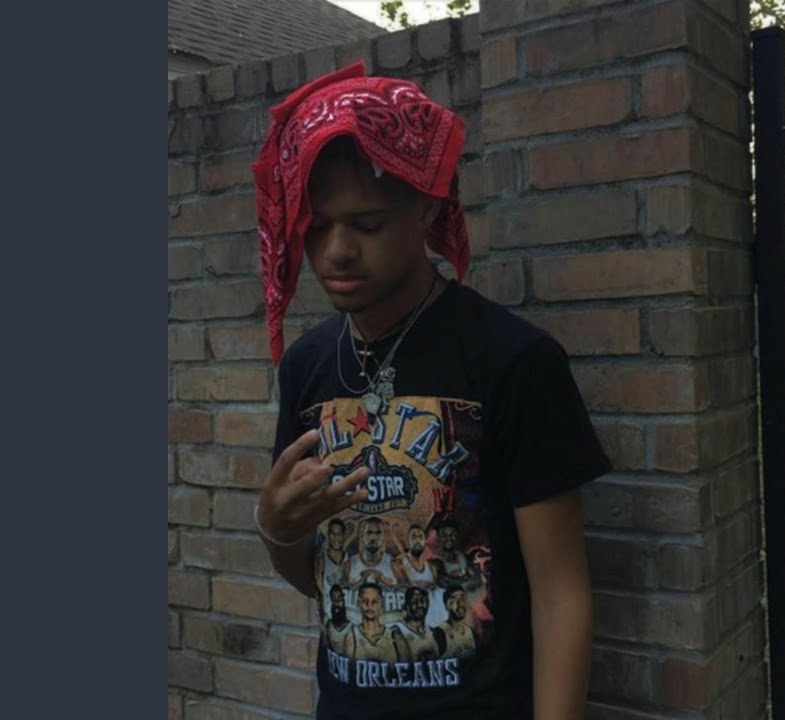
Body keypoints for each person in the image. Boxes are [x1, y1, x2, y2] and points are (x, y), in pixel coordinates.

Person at [251, 61, 611, 720]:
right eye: (317, 226)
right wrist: (277, 531)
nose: (336, 251)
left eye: (366, 224)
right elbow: (324, 578)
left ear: (426, 208)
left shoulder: (511, 361)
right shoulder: (307, 366)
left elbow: (562, 595)